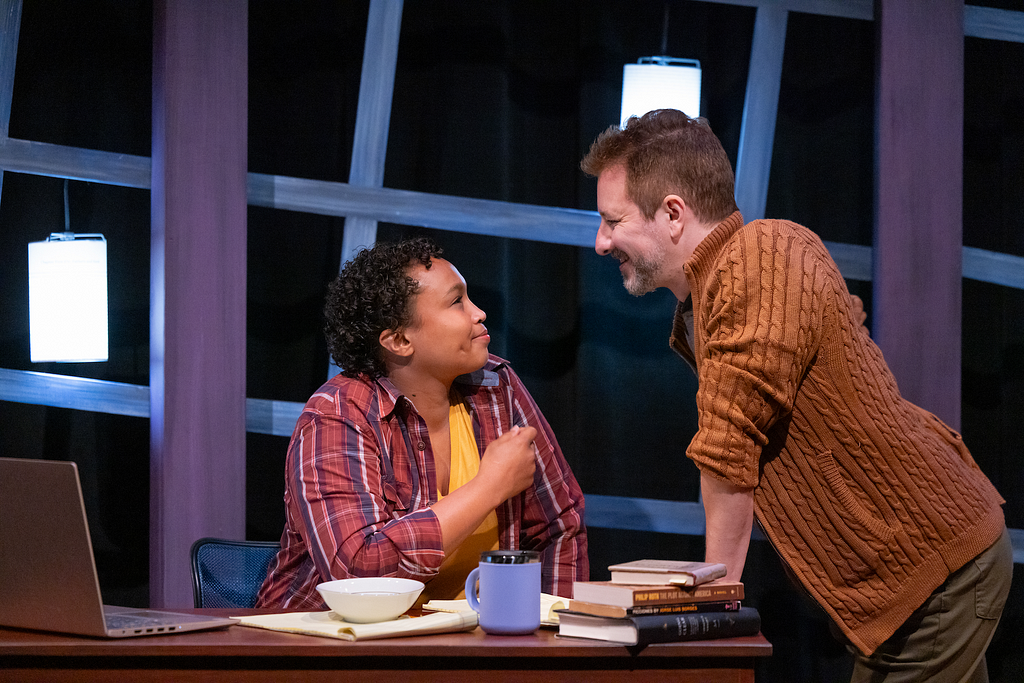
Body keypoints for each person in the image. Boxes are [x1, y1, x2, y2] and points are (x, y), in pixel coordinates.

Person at [580, 109, 1010, 682]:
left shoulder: (757, 260)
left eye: (613, 221)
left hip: (935, 572)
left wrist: (711, 613)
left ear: (674, 214)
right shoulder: (720, 290)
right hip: (913, 581)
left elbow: (728, 451)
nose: (600, 241)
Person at [257, 237, 588, 608]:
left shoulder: (496, 386)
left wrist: (552, 635)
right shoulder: (336, 416)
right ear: (398, 339)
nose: (478, 313)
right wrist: (488, 488)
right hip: (331, 649)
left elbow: (558, 524)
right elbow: (358, 573)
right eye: (456, 302)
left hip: (468, 644)